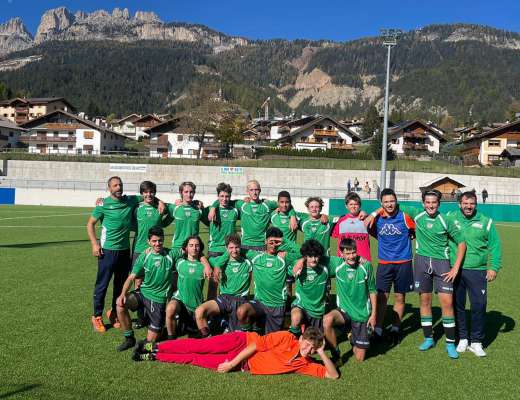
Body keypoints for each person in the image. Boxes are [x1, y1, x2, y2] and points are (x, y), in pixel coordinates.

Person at [367, 189, 466, 359]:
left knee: (447, 302)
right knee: (424, 302)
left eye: (434, 202)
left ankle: (450, 343)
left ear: (439, 204)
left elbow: (462, 243)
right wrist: (373, 213)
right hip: (421, 262)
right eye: (427, 202)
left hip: (441, 263)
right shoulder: (417, 214)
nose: (430, 205)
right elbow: (391, 206)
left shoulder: (445, 219)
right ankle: (428, 338)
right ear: (422, 204)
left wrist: (455, 268)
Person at [132, 327, 339, 379]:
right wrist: (231, 364)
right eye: (308, 345)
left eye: (312, 349)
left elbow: (333, 375)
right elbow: (255, 346)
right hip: (242, 342)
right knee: (198, 346)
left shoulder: (305, 363)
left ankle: (150, 355)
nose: (308, 350)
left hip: (243, 364)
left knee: (196, 359)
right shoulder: (286, 337)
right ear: (301, 339)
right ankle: (152, 345)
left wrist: (321, 352)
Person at [447, 191, 502, 357]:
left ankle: (476, 341)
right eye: (465, 203)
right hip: (456, 270)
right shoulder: (450, 217)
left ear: (476, 205)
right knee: (458, 305)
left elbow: (495, 246)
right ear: (460, 204)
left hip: (478, 271)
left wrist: (493, 267)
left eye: (471, 204)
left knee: (479, 305)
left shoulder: (486, 221)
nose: (468, 206)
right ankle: (462, 338)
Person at [86, 176, 142, 333]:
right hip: (107, 251)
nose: (119, 187)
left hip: (124, 251)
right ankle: (96, 316)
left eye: (121, 185)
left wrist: (164, 202)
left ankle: (113, 312)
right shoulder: (103, 204)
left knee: (119, 284)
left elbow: (148, 195)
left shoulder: (130, 200)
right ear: (109, 188)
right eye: (115, 185)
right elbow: (90, 224)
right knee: (102, 285)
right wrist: (94, 244)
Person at [115, 227, 178, 351]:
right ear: (149, 241)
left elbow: (191, 251)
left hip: (158, 299)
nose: (157, 244)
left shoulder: (171, 254)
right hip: (143, 294)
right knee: (120, 305)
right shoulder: (144, 255)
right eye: (154, 241)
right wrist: (122, 294)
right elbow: (131, 277)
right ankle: (129, 339)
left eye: (160, 240)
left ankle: (150, 339)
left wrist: (206, 264)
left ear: (164, 240)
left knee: (150, 343)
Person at [369, 188, 416, 345]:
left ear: (396, 201)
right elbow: (372, 230)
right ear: (381, 203)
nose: (389, 204)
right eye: (386, 202)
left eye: (392, 201)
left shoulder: (405, 216)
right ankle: (378, 329)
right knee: (382, 297)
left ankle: (395, 328)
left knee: (400, 297)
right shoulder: (377, 219)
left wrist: (411, 234)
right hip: (384, 263)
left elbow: (415, 231)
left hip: (403, 262)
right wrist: (375, 213)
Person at [235, 227, 300, 334]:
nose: (274, 245)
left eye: (277, 242)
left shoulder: (284, 257)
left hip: (277, 305)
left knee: (271, 341)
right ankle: (247, 336)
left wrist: (285, 241)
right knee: (242, 311)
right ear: (265, 241)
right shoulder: (256, 256)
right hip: (259, 303)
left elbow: (301, 251)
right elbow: (234, 248)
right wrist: (204, 260)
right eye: (271, 242)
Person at [322, 238, 377, 363]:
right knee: (326, 320)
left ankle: (351, 334)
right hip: (344, 311)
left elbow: (373, 291)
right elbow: (313, 254)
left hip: (361, 314)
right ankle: (336, 354)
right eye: (347, 253)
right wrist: (301, 261)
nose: (351, 256)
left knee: (359, 357)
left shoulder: (366, 266)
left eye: (353, 252)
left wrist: (373, 315)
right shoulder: (337, 264)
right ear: (341, 254)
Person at [209, 180, 298, 251]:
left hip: (262, 245)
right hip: (245, 245)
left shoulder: (268, 204)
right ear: (247, 191)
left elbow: (284, 204)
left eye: (256, 190)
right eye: (251, 190)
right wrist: (213, 208)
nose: (254, 192)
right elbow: (222, 200)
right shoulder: (241, 204)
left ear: (260, 191)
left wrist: (292, 216)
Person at [196, 234, 252, 336]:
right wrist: (207, 266)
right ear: (226, 248)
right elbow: (202, 256)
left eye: (237, 247)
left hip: (240, 300)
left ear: (241, 247)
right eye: (231, 248)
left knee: (229, 336)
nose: (234, 250)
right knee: (200, 311)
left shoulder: (248, 262)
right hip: (224, 298)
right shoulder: (220, 262)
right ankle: (207, 339)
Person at [165, 236, 211, 339]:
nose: (194, 248)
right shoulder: (180, 262)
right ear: (186, 248)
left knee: (200, 339)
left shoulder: (204, 266)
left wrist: (207, 265)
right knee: (170, 308)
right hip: (180, 300)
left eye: (197, 245)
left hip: (196, 306)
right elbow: (164, 252)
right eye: (191, 245)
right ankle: (170, 339)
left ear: (200, 248)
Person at [289, 240, 333, 337]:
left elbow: (344, 261)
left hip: (317, 310)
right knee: (296, 318)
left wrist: (360, 258)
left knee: (316, 343)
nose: (314, 259)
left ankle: (305, 329)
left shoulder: (326, 266)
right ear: (305, 256)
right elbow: (289, 255)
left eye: (316, 256)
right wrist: (299, 261)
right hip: (301, 304)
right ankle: (292, 342)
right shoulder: (298, 266)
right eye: (310, 256)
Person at [331, 192, 370, 260]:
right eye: (351, 204)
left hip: (363, 260)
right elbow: (333, 235)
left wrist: (368, 215)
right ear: (346, 206)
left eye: (356, 204)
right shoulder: (341, 221)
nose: (353, 206)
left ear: (360, 206)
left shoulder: (366, 219)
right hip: (344, 260)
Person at [167, 182, 203, 251]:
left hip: (193, 248)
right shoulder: (175, 208)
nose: (189, 194)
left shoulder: (199, 209)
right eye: (186, 192)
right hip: (177, 247)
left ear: (194, 193)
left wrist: (212, 207)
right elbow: (163, 223)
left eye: (191, 192)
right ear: (181, 193)